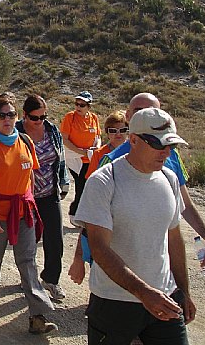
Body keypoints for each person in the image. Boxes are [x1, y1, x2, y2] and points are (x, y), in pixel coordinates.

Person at [74, 108, 196, 344]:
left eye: (171, 145)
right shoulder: (104, 181)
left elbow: (173, 240)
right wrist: (144, 293)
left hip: (165, 298)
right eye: (159, 145)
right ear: (133, 140)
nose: (167, 152)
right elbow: (99, 248)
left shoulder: (169, 178)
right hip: (114, 302)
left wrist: (183, 291)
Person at [97, 92, 205, 276]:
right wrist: (81, 256)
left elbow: (184, 204)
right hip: (122, 264)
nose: (148, 116)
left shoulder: (172, 156)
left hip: (160, 261)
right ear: (128, 116)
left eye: (152, 110)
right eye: (140, 111)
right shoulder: (110, 162)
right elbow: (94, 218)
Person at [0, 95, 58, 335]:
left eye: (10, 114)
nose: (6, 119)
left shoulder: (26, 142)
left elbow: (30, 175)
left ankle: (37, 316)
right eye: (1, 115)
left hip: (22, 212)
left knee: (28, 261)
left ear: (17, 117)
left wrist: (30, 201)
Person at [15, 94, 69, 302]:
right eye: (35, 118)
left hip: (49, 192)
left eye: (43, 116)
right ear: (25, 115)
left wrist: (63, 184)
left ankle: (50, 279)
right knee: (28, 241)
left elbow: (60, 158)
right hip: (25, 195)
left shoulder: (51, 130)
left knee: (55, 238)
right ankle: (27, 279)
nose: (40, 121)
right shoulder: (16, 131)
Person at [68, 110, 129, 285]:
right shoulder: (99, 154)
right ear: (106, 132)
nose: (118, 135)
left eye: (122, 130)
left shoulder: (136, 153)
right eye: (113, 131)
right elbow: (91, 185)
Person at [60, 91, 101, 223]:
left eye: (82, 105)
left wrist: (95, 149)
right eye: (77, 104)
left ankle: (80, 213)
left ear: (89, 106)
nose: (78, 107)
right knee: (81, 185)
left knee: (88, 185)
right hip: (76, 158)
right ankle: (74, 213)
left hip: (90, 157)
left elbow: (97, 136)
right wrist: (82, 152)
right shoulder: (70, 117)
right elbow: (65, 140)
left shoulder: (94, 118)